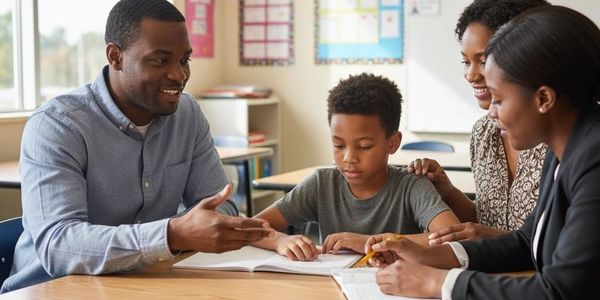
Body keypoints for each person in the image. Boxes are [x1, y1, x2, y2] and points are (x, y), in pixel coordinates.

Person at [1, 0, 273, 293]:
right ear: (115, 56)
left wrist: (202, 228)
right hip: (53, 289)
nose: (179, 75)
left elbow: (220, 207)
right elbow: (59, 247)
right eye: (160, 60)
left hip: (146, 283)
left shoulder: (187, 114)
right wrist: (171, 235)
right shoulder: (57, 125)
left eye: (184, 60)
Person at [366, 5, 600, 299]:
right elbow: (528, 241)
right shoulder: (567, 148)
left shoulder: (593, 158)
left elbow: (563, 291)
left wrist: (437, 283)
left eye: (499, 99)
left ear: (543, 98)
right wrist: (429, 256)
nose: (491, 113)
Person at [252, 73, 460, 261]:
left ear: (393, 143)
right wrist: (280, 241)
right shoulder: (322, 184)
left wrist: (370, 242)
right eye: (339, 145)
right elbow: (249, 228)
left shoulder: (412, 186)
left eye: (364, 146)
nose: (349, 158)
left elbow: (455, 238)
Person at [407, 0, 549, 245]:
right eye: (466, 61)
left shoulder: (560, 134)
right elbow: (489, 220)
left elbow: (569, 245)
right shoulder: (484, 132)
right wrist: (448, 192)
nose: (471, 75)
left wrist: (498, 240)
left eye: (483, 61)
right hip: (493, 276)